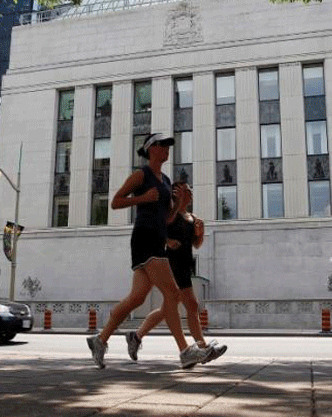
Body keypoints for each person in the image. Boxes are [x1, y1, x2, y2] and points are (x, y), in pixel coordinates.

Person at [86, 133, 211, 369]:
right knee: (173, 293)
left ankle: (100, 340)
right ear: (151, 149)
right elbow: (115, 202)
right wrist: (142, 198)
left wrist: (175, 206)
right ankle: (185, 351)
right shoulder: (140, 175)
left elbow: (166, 218)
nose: (167, 149)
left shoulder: (165, 180)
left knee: (137, 298)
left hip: (158, 240)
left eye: (167, 146)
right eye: (163, 145)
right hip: (144, 238)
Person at [125, 182, 227, 364]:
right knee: (192, 305)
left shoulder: (192, 217)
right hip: (170, 263)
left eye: (190, 191)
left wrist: (200, 233)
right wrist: (168, 240)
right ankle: (202, 348)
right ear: (177, 193)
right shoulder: (168, 213)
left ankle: (136, 336)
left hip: (185, 264)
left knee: (167, 309)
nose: (190, 194)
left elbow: (196, 245)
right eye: (187, 191)